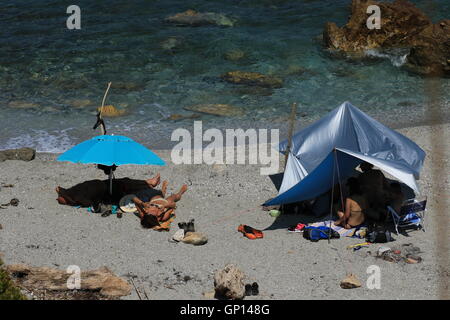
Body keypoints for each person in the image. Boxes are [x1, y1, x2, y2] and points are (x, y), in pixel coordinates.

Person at [56, 173, 162, 207]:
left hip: (101, 185)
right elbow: (91, 202)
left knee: (124, 182)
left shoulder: (71, 193)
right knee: (124, 185)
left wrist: (61, 191)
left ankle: (147, 183)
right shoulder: (76, 198)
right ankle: (147, 183)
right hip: (104, 191)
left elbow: (59, 190)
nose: (59, 199)